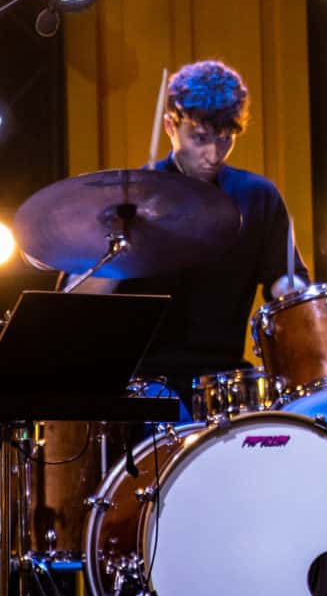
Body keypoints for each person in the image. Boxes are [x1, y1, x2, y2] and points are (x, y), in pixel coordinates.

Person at [62, 59, 309, 399]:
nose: (213, 155)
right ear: (170, 126)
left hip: (224, 380)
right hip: (143, 384)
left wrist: (294, 292)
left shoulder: (257, 196)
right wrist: (124, 242)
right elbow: (75, 305)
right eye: (200, 138)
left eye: (225, 139)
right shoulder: (128, 198)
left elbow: (283, 279)